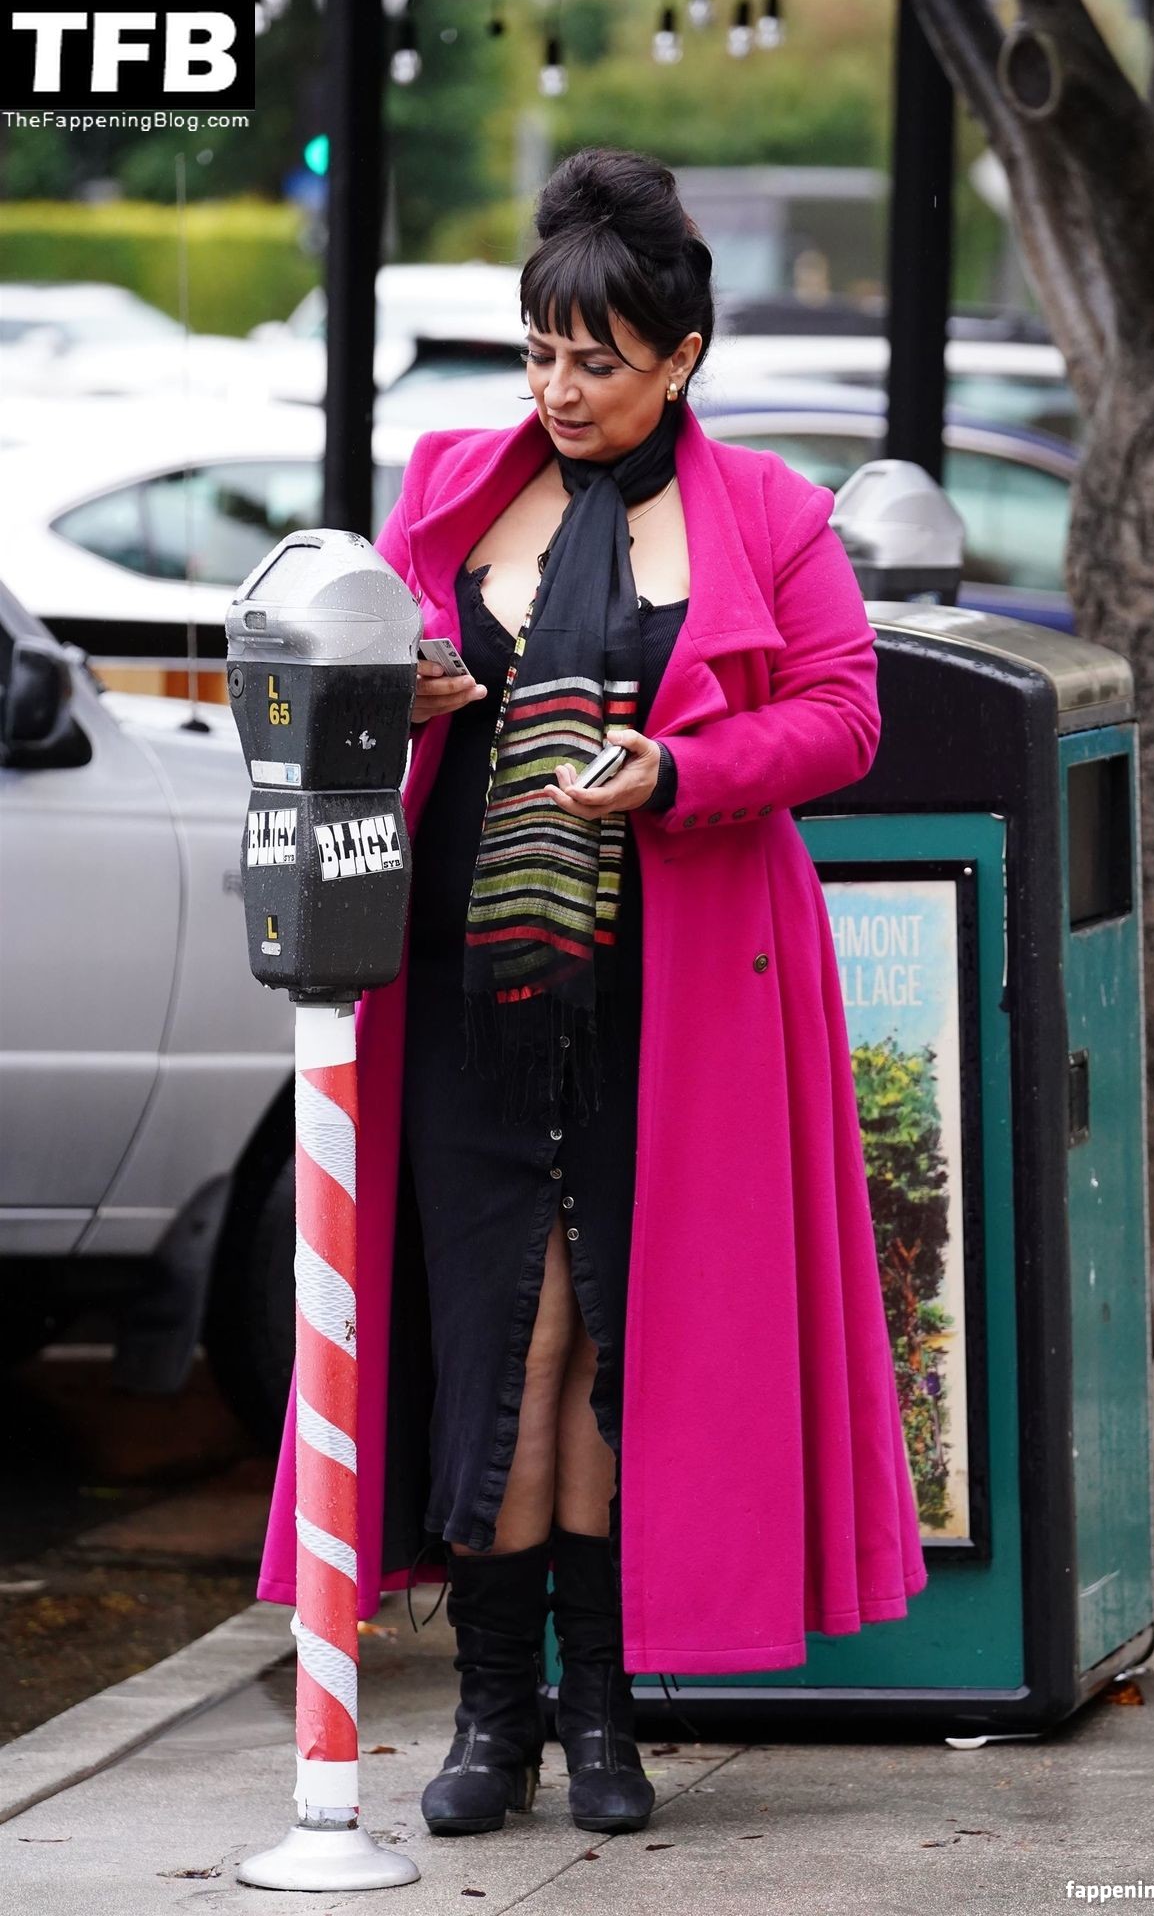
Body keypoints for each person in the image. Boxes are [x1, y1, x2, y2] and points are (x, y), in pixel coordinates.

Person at [256, 144, 927, 1844]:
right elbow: (342, 669)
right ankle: (500, 1717)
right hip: (464, 991)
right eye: (540, 353)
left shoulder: (767, 513)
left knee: (617, 1345)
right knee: (506, 1332)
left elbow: (846, 717)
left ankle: (597, 1713)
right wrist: (405, 691)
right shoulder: (449, 484)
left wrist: (681, 770)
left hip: (677, 1002)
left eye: (598, 361)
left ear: (680, 357)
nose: (558, 390)